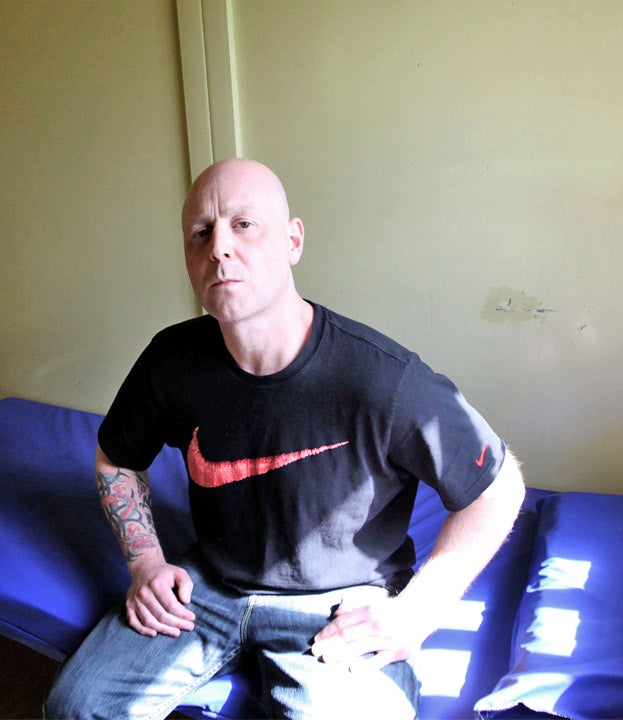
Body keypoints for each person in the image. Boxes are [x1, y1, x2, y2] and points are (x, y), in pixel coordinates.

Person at [44, 158, 526, 719]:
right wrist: (146, 563)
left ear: (293, 240)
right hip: (211, 585)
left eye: (243, 224)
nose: (219, 248)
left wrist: (417, 611)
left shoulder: (380, 378)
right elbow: (116, 458)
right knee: (77, 708)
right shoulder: (171, 360)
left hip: (338, 603)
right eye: (201, 233)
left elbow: (498, 487)